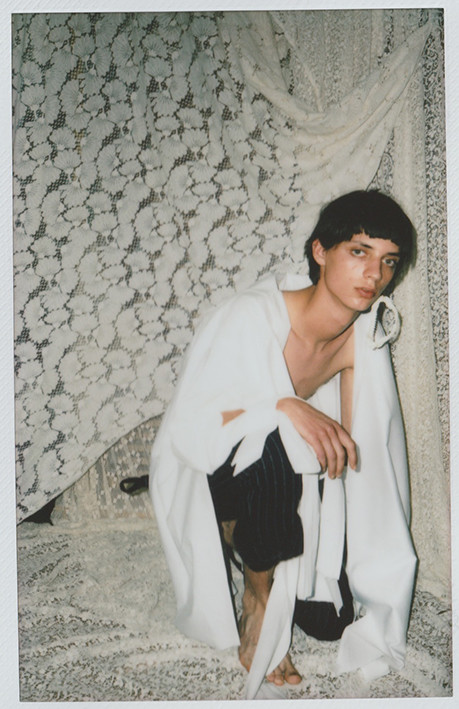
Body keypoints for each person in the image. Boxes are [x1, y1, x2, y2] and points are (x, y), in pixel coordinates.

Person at [149, 190, 418, 698]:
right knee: (274, 440)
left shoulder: (361, 341)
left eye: (388, 261)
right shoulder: (251, 315)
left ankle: (253, 539)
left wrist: (363, 564)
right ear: (320, 251)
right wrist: (283, 404)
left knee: (330, 624)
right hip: (210, 471)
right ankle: (257, 597)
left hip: (283, 480)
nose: (374, 275)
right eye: (358, 252)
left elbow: (365, 459)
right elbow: (192, 425)